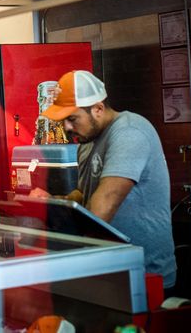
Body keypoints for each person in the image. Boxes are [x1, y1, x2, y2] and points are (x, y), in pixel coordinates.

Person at [40, 70, 177, 290]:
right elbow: (85, 194)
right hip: (105, 272)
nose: (67, 127)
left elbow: (101, 209)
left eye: (72, 118)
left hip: (144, 275)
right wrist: (54, 202)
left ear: (98, 109)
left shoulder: (130, 132)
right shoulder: (86, 141)